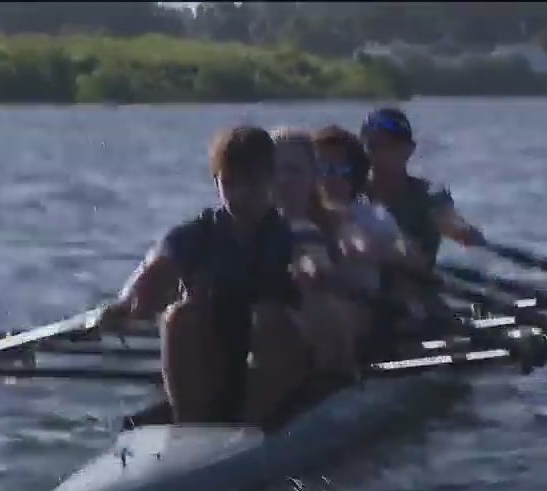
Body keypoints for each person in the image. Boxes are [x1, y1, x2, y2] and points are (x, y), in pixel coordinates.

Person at [97, 125, 314, 428]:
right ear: (216, 182)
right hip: (216, 354)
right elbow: (154, 269)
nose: (240, 195)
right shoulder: (197, 234)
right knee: (178, 317)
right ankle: (191, 425)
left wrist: (311, 274)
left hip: (275, 360)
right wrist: (125, 304)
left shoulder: (291, 235)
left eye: (251, 183)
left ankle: (252, 425)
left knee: (269, 318)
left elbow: (311, 264)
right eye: (230, 183)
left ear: (270, 180)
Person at [309, 124, 432, 357]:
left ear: (355, 174)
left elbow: (412, 256)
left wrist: (380, 252)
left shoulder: (373, 216)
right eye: (321, 169)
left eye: (340, 169)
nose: (330, 178)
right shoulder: (297, 213)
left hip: (365, 311)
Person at [268, 126, 361, 375]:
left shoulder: (341, 222)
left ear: (313, 177)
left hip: (336, 319)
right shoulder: (251, 227)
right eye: (275, 170)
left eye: (293, 170)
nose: (283, 180)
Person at [359, 107, 487, 269]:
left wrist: (460, 230)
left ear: (410, 149)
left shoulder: (429, 194)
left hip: (416, 277)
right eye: (375, 145)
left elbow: (451, 220)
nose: (384, 153)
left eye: (393, 145)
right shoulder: (350, 191)